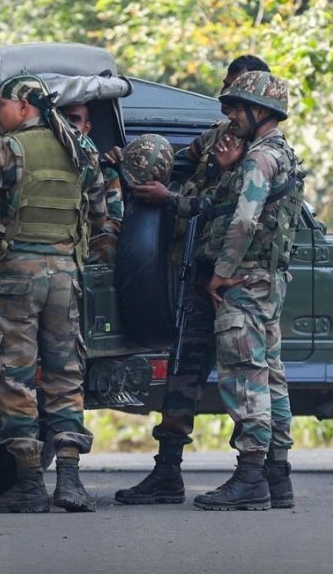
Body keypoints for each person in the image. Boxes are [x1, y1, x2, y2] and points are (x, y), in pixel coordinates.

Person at [113, 55, 270, 505]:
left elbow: (235, 212)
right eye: (227, 93)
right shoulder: (218, 138)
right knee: (183, 367)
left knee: (250, 377)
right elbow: (178, 163)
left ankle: (265, 475)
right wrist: (131, 165)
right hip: (200, 268)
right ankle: (167, 473)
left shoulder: (262, 153)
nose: (228, 103)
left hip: (236, 274)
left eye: (237, 94)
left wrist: (176, 200)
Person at [0, 74, 107, 513]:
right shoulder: (82, 150)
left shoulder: (5, 152)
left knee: (14, 374)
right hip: (65, 278)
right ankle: (71, 482)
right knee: (65, 375)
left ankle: (28, 484)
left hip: (16, 277)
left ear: (24, 107)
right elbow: (100, 215)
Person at [191, 70, 303, 511]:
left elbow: (243, 221)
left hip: (245, 280)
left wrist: (220, 271)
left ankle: (251, 477)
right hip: (268, 281)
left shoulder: (259, 160)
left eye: (237, 108)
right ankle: (278, 477)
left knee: (245, 372)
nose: (231, 117)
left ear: (261, 111)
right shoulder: (281, 154)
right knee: (271, 375)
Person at [60, 103, 123, 263]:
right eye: (62, 117)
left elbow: (115, 222)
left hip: (84, 242)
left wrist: (82, 231)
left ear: (86, 128)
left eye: (74, 119)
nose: (68, 125)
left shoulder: (106, 174)